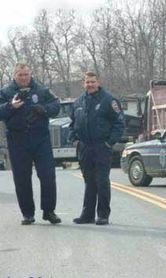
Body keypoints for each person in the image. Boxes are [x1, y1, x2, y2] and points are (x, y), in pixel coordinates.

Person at [0, 62, 62, 225]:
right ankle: (28, 213)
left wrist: (44, 109)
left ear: (30, 74)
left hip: (40, 138)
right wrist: (10, 106)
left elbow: (56, 105)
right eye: (20, 75)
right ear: (14, 75)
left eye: (26, 74)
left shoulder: (41, 89)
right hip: (17, 139)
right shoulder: (6, 92)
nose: (23, 78)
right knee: (22, 179)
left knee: (48, 176)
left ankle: (49, 211)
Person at [69, 72, 124, 225]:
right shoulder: (79, 102)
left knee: (101, 181)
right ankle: (87, 215)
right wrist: (75, 141)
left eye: (93, 82)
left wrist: (109, 143)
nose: (90, 85)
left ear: (98, 82)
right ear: (83, 84)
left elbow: (119, 124)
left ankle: (103, 214)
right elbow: (72, 124)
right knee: (89, 181)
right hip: (84, 147)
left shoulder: (108, 100)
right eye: (87, 82)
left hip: (102, 147)